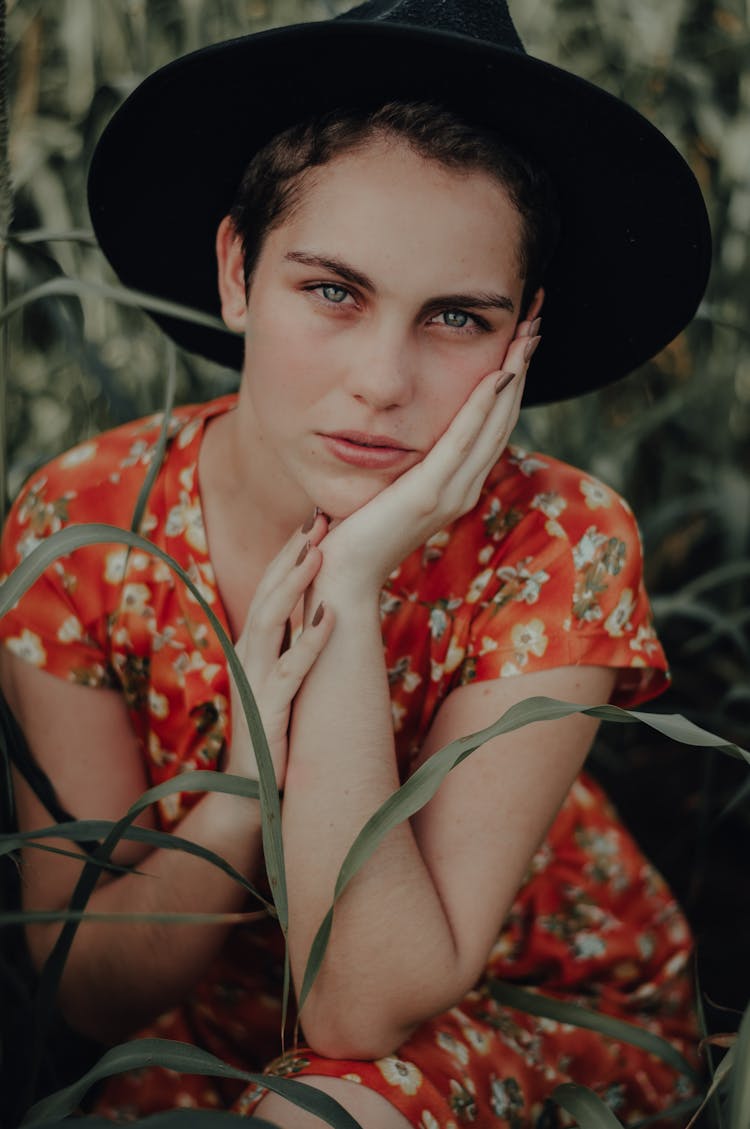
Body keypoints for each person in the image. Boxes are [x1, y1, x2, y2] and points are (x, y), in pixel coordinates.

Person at [0, 1, 711, 1125]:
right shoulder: (85, 519)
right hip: (199, 1030)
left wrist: (350, 585)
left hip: (526, 1014)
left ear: (522, 333)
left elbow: (358, 1011)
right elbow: (83, 990)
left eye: (457, 319)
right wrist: (238, 791)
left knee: (326, 1109)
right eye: (333, 291)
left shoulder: (557, 540)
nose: (384, 379)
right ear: (238, 271)